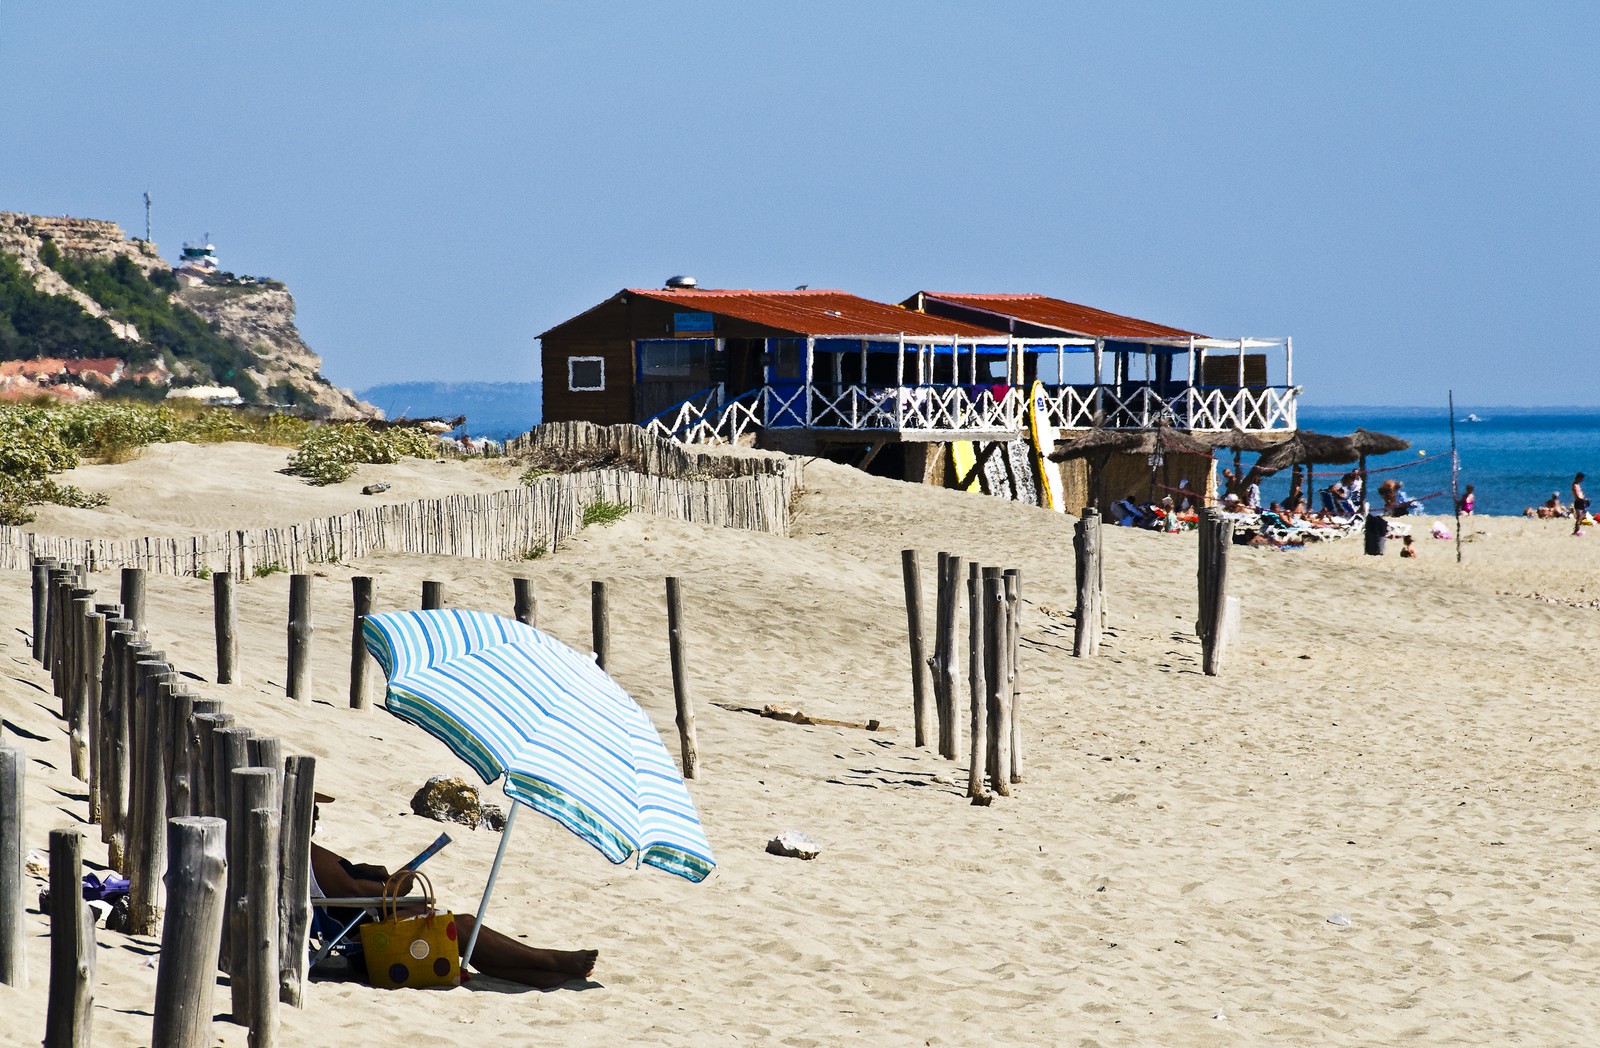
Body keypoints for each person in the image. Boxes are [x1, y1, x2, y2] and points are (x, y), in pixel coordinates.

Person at [309, 815, 596, 989]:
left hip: (362, 929)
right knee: (464, 925)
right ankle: (551, 959)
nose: (317, 812)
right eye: (311, 804)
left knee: (460, 933)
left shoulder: (303, 851)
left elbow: (347, 887)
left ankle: (542, 975)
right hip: (369, 945)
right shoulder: (310, 854)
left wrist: (365, 872)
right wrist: (397, 885)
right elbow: (364, 894)